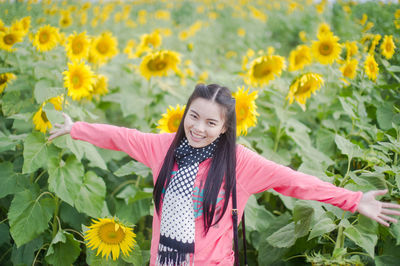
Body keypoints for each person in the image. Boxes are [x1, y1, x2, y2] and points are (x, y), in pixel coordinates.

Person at [49, 83, 400, 266]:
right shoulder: (164, 148)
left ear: (226, 126)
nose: (198, 128)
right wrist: (76, 128)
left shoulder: (240, 162)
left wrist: (354, 200)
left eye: (211, 122)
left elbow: (295, 181)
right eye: (193, 116)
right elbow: (122, 137)